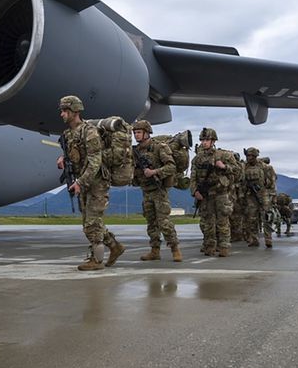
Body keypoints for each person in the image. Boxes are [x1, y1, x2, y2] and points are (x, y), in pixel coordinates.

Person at [56, 95, 124, 270]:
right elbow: (74, 154)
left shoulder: (90, 132)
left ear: (75, 111)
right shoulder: (68, 134)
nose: (62, 114)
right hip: (84, 182)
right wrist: (63, 158)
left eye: (65, 111)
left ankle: (97, 261)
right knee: (89, 223)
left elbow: (95, 161)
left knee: (91, 223)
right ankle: (115, 247)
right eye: (62, 111)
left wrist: (80, 182)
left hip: (96, 183)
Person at [131, 120, 182, 262]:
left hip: (159, 191)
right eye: (135, 132)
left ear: (147, 133)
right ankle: (155, 251)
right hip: (146, 190)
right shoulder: (135, 151)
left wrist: (154, 172)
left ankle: (175, 249)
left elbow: (171, 167)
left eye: (139, 132)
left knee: (164, 222)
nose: (136, 135)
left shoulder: (159, 147)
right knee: (151, 223)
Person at [190, 128, 238, 256]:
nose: (204, 142)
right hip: (205, 195)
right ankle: (209, 246)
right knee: (207, 222)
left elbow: (237, 171)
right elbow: (193, 177)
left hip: (220, 193)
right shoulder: (197, 159)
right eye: (202, 140)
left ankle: (224, 247)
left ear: (213, 141)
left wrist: (224, 167)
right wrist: (194, 191)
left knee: (222, 221)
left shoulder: (224, 155)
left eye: (207, 140)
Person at [242, 148, 274, 248]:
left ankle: (268, 238)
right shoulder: (244, 168)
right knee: (251, 218)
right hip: (250, 195)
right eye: (248, 156)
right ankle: (254, 239)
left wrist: (272, 195)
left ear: (255, 156)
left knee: (266, 217)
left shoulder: (265, 167)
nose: (249, 158)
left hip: (263, 193)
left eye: (251, 156)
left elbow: (272, 182)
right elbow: (241, 181)